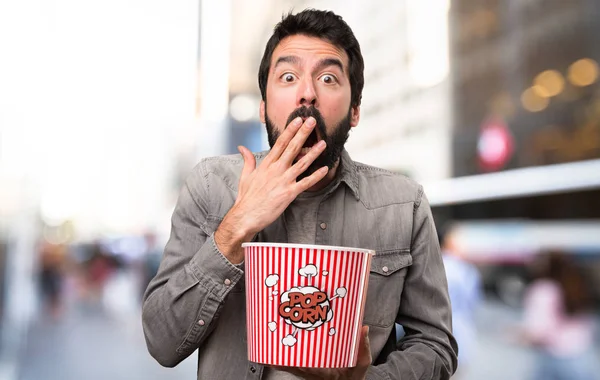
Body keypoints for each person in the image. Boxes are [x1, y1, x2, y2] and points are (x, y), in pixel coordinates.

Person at [142, 9, 457, 380]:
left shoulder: (405, 204)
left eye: (327, 78)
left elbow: (436, 345)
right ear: (263, 107)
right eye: (288, 77)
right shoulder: (210, 185)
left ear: (354, 110)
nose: (307, 93)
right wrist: (236, 227)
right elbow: (162, 343)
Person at [519, 251, 599, 380]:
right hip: (580, 355)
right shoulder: (576, 283)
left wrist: (519, 336)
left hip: (553, 356)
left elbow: (537, 331)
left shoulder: (543, 289)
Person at [439, 228, 482, 379]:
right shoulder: (466, 270)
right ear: (449, 242)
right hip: (460, 338)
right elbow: (472, 304)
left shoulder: (431, 263)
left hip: (429, 340)